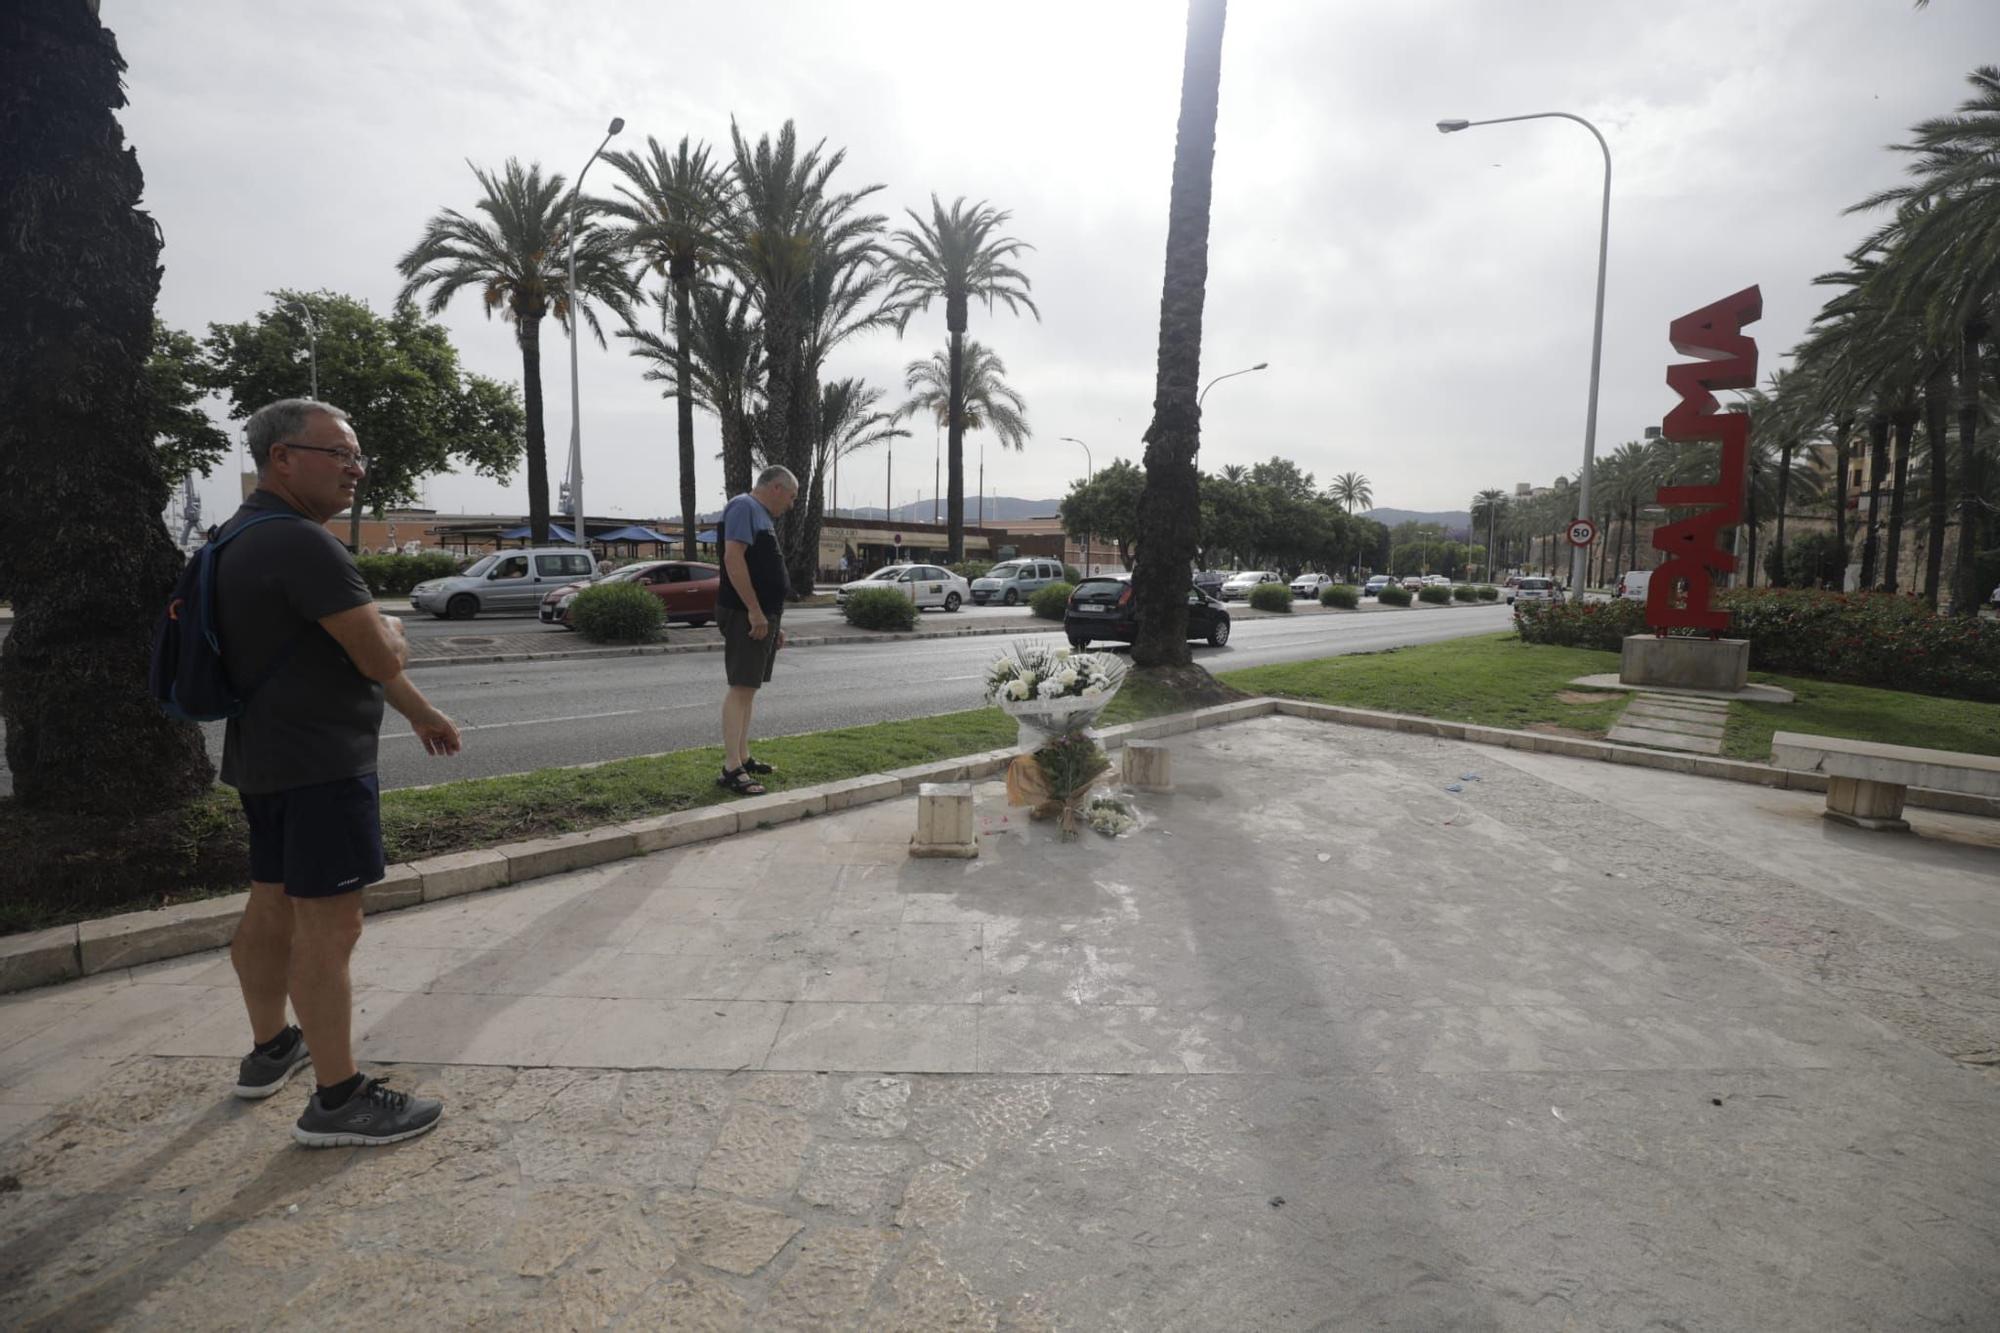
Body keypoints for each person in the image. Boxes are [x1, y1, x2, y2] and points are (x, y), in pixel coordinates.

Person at [217, 398, 463, 1147]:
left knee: (269, 902)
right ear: (283, 458)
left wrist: (418, 712)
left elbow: (326, 650)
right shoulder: (305, 544)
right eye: (339, 453)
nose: (355, 468)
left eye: (358, 456)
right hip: (322, 762)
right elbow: (378, 653)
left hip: (263, 753)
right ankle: (338, 1098)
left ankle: (271, 1048)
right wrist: (392, 627)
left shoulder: (235, 535)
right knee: (332, 925)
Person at [715, 465, 799, 796]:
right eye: (791, 497)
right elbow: (733, 558)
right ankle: (731, 768)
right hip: (742, 612)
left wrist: (773, 621)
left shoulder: (761, 515)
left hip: (763, 615)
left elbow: (765, 570)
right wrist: (753, 611)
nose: (791, 505)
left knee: (749, 688)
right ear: (775, 487)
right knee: (740, 688)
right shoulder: (743, 507)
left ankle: (744, 757)